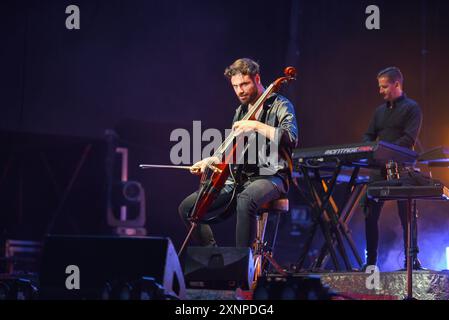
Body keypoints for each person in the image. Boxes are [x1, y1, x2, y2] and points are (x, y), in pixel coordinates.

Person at [178, 58, 299, 248]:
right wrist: (213, 159)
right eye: (235, 86)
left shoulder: (281, 104)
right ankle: (212, 256)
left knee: (246, 199)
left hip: (272, 176)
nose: (240, 91)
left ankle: (242, 264)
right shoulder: (241, 111)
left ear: (257, 79)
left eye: (244, 84)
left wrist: (256, 125)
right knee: (188, 208)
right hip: (242, 178)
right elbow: (234, 146)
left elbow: (290, 138)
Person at [361, 66, 424, 270]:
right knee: (369, 213)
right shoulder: (378, 112)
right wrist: (368, 149)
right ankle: (371, 262)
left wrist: (384, 151)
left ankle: (411, 261)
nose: (380, 91)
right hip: (379, 168)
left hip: (403, 167)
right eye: (380, 87)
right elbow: (368, 136)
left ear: (397, 84)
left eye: (384, 86)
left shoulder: (412, 108)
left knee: (406, 215)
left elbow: (408, 139)